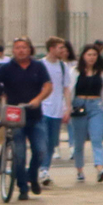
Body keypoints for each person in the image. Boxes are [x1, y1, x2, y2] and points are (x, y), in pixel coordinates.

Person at [0, 37, 52, 201]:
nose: (21, 50)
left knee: (41, 151)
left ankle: (32, 176)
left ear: (30, 49)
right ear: (13, 50)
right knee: (19, 155)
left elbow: (48, 85)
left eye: (24, 47)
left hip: (35, 115)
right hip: (14, 117)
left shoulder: (38, 66)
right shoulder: (7, 68)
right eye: (17, 47)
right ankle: (23, 187)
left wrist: (38, 99)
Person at [68, 42, 103, 184]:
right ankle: (79, 169)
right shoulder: (75, 71)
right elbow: (69, 91)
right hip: (79, 106)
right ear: (83, 56)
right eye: (89, 55)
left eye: (94, 55)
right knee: (79, 141)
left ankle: (100, 168)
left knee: (97, 138)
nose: (92, 58)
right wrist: (67, 107)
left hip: (96, 106)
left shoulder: (101, 73)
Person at [36, 37, 74, 187]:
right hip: (42, 109)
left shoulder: (63, 67)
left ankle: (44, 168)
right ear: (51, 48)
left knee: (52, 142)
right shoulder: (40, 65)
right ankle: (41, 169)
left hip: (57, 110)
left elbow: (66, 89)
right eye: (59, 47)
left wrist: (68, 107)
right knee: (42, 140)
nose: (62, 50)